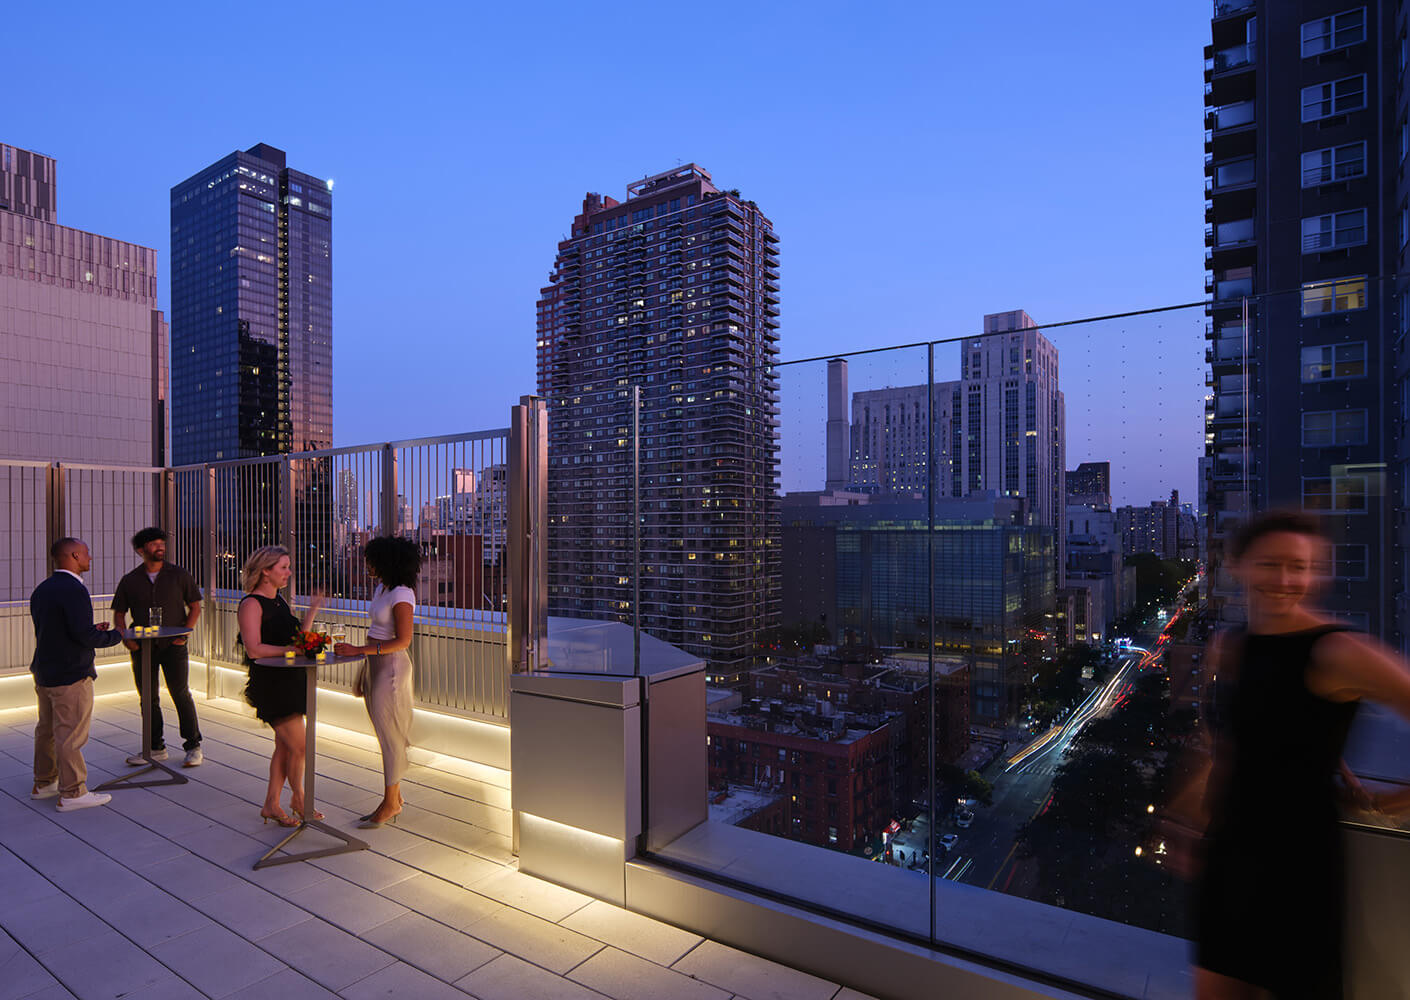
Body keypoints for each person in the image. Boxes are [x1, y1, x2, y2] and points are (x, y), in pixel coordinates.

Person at [1177, 511, 1410, 999]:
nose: (1285, 580)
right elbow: (1244, 739)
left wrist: (1390, 804)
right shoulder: (1230, 646)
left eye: (1299, 567)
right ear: (1236, 565)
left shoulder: (1336, 650)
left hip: (1299, 871)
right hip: (1229, 859)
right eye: (1270, 564)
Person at [30, 537, 126, 812]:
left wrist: (92, 628)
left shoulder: (43, 589)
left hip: (45, 670)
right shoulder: (74, 589)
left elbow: (58, 630)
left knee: (46, 731)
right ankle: (72, 793)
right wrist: (113, 635)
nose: (90, 558)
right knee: (70, 735)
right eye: (86, 553)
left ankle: (44, 783)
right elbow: (83, 636)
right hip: (70, 673)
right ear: (73, 555)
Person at [335, 536, 420, 828]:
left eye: (372, 560)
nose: (367, 565)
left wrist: (359, 652)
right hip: (376, 666)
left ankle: (391, 802)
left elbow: (403, 640)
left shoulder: (402, 594)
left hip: (393, 669)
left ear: (387, 561)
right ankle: (394, 797)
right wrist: (363, 671)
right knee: (385, 734)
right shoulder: (382, 588)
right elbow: (375, 633)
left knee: (390, 736)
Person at [236, 545, 323, 827]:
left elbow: (298, 640)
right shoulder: (251, 604)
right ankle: (298, 798)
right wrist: (290, 650)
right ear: (265, 571)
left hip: (290, 681)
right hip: (272, 686)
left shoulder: (279, 601)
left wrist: (312, 611)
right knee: (299, 746)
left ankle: (271, 804)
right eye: (283, 567)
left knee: (285, 748)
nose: (289, 572)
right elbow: (254, 649)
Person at [112, 527, 204, 767]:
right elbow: (119, 613)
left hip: (174, 645)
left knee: (180, 693)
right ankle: (155, 747)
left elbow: (195, 606)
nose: (160, 547)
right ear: (141, 550)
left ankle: (193, 745)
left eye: (161, 542)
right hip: (142, 647)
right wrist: (125, 638)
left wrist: (184, 636)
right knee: (148, 697)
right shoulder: (130, 580)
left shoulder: (179, 575)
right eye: (154, 544)